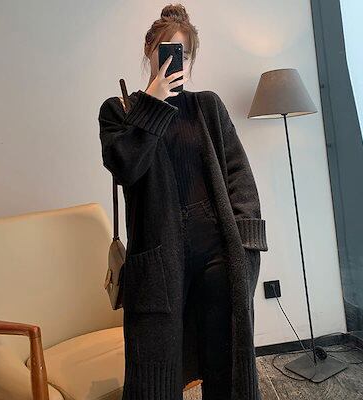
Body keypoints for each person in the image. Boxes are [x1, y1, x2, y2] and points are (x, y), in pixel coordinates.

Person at [98, 4, 268, 400]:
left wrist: (246, 242)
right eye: (168, 52)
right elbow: (126, 168)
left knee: (226, 360)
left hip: (219, 253)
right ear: (149, 51)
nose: (177, 61)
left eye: (184, 54)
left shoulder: (207, 106)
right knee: (155, 374)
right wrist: (154, 104)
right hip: (159, 260)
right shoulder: (119, 111)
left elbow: (238, 173)